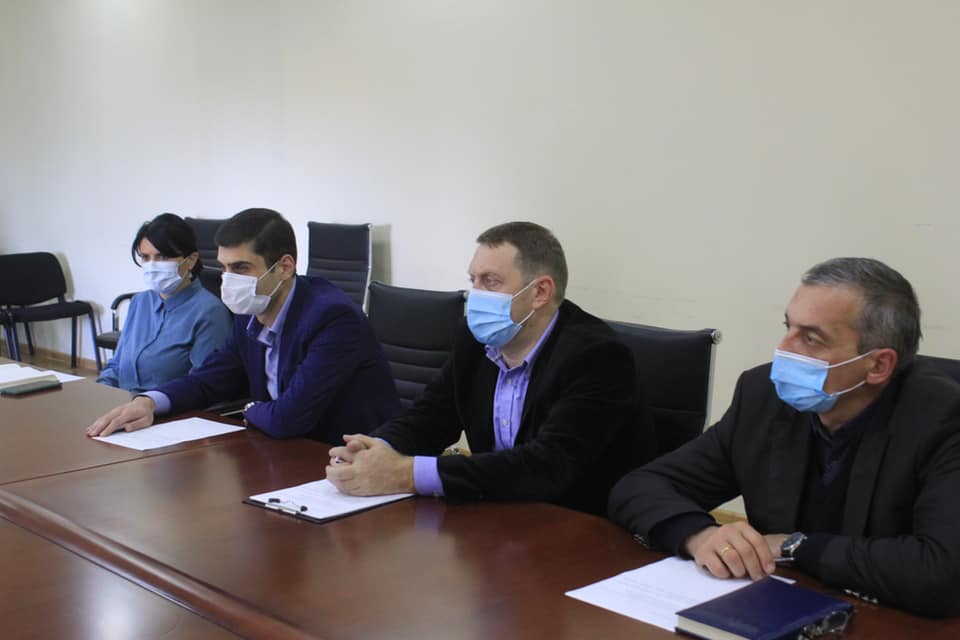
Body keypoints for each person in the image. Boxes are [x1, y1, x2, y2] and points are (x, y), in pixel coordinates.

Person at [608, 257, 960, 617]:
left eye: (811, 339)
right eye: (788, 327)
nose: (784, 350)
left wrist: (797, 547)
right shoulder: (763, 396)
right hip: (775, 608)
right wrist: (699, 535)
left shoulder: (944, 418)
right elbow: (640, 486)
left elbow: (941, 572)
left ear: (878, 365)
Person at [326, 221, 656, 515]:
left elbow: (548, 466)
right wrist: (374, 450)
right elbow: (430, 417)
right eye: (474, 280)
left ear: (540, 292)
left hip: (580, 526)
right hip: (499, 513)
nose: (477, 295)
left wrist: (405, 473)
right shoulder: (475, 339)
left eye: (491, 281)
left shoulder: (598, 357)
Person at [87, 208, 400, 442]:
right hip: (282, 449)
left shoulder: (332, 318)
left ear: (285, 267)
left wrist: (250, 408)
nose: (229, 280)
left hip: (342, 456)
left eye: (241, 268)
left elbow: (288, 418)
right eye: (224, 268)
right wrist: (149, 401)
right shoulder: (249, 313)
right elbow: (208, 380)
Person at [96, 214, 232, 393]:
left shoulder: (210, 312)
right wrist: (101, 391)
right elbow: (116, 365)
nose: (152, 265)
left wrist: (147, 403)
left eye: (162, 256)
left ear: (191, 260)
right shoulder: (139, 302)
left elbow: (202, 386)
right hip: (120, 403)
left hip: (166, 407)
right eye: (145, 257)